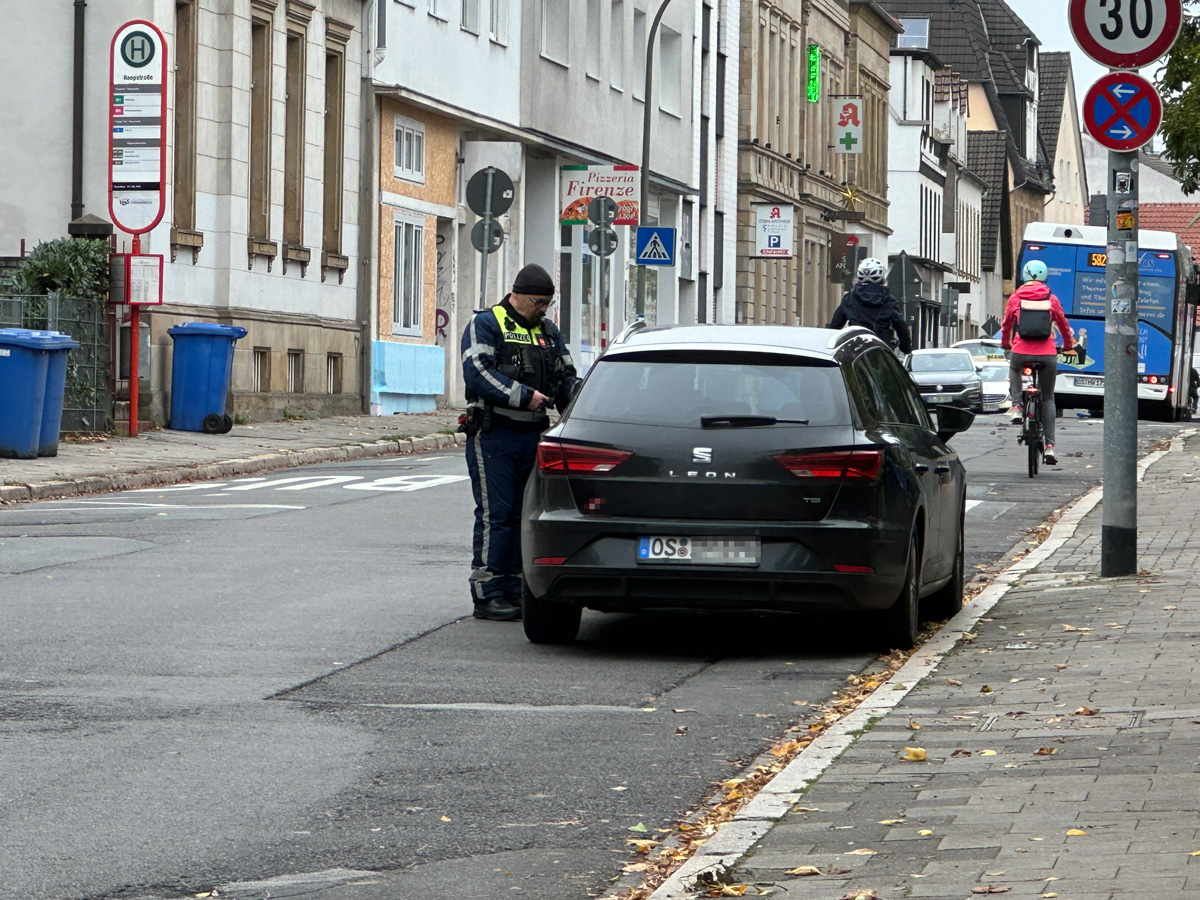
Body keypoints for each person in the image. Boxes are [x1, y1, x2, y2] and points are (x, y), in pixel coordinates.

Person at [460, 263, 581, 621]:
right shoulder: (488, 323)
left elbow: (565, 378)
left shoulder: (548, 331)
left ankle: (514, 586)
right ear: (517, 295)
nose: (544, 309)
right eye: (539, 302)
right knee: (496, 515)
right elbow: (477, 372)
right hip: (495, 432)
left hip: (534, 435)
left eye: (548, 303)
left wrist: (585, 405)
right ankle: (487, 591)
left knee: (524, 515)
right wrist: (521, 395)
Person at [1002, 259, 1074, 466]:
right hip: (1047, 354)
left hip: (1021, 351)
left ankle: (1016, 406)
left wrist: (1006, 343)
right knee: (1048, 397)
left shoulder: (1015, 298)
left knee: (1014, 368)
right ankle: (1050, 447)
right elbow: (1063, 324)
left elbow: (1006, 324)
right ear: (1044, 278)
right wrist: (1067, 344)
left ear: (1024, 276)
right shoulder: (1052, 299)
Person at [827, 257, 913, 354]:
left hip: (855, 352)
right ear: (882, 277)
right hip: (880, 352)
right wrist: (906, 348)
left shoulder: (850, 298)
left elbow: (835, 325)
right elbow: (901, 327)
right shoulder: (889, 300)